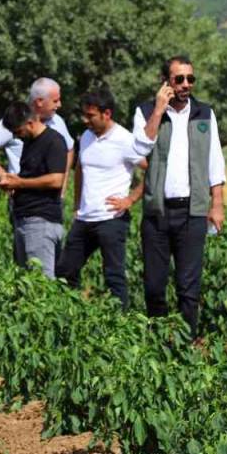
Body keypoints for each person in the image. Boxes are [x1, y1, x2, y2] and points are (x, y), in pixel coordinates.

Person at [132, 56, 226, 336]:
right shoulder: (145, 111)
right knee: (154, 286)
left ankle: (186, 346)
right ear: (166, 82)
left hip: (192, 212)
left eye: (190, 79)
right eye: (179, 79)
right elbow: (140, 148)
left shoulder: (204, 114)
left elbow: (215, 161)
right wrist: (158, 110)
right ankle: (158, 344)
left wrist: (217, 204)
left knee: (188, 288)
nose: (186, 84)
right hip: (157, 212)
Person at [55, 88, 148, 307]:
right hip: (85, 218)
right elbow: (80, 168)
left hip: (111, 220)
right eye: (84, 114)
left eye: (90, 115)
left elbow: (152, 170)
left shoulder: (125, 140)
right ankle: (72, 314)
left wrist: (130, 200)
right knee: (65, 271)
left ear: (107, 114)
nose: (85, 120)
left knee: (114, 276)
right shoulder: (86, 136)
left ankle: (121, 323)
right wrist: (77, 204)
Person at [0, 77, 75, 262]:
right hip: (25, 203)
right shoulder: (16, 120)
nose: (59, 105)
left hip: (49, 203)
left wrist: (62, 185)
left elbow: (69, 148)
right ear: (39, 102)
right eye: (55, 100)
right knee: (27, 261)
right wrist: (4, 176)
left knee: (44, 261)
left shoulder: (57, 122)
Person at [0, 101, 68, 278]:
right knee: (25, 281)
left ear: (30, 123)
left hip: (40, 221)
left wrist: (20, 183)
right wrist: (14, 184)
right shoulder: (29, 142)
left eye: (18, 131)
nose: (17, 136)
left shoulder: (54, 141)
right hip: (24, 219)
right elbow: (30, 177)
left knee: (40, 282)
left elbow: (56, 180)